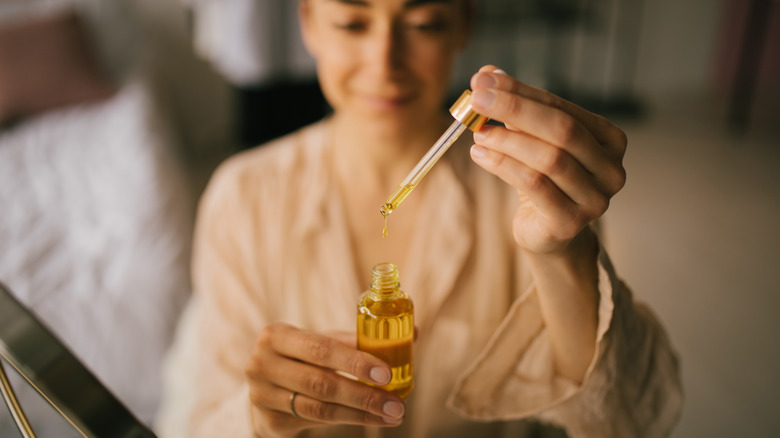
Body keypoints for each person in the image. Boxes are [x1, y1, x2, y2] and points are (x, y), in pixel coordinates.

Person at [157, 0, 683, 437]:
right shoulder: (245, 196)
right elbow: (195, 417)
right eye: (352, 22)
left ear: (464, 24)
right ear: (308, 23)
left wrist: (563, 252)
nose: (385, 63)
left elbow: (625, 421)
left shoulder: (526, 194)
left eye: (424, 23)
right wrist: (257, 416)